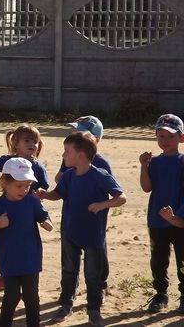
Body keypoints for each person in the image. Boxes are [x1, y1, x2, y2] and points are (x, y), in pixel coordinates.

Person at [37, 132, 126, 327]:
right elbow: (58, 194)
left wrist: (103, 204)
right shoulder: (68, 176)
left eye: (67, 151)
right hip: (70, 231)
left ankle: (93, 310)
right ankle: (66, 304)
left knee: (92, 274)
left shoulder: (100, 176)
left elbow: (121, 198)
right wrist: (44, 194)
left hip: (92, 234)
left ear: (81, 154)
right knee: (69, 270)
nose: (63, 155)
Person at [0, 158, 53, 327]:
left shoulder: (32, 202)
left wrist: (46, 223)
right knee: (12, 296)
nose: (24, 190)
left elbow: (44, 216)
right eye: (19, 186)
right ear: (5, 182)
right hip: (9, 260)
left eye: (27, 185)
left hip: (31, 259)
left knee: (31, 298)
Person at [0, 123, 50, 291]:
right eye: (27, 140)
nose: (32, 145)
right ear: (15, 143)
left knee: (26, 245)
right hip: (9, 208)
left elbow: (43, 189)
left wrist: (39, 195)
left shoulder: (38, 166)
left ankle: (29, 277)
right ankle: (6, 276)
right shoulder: (8, 160)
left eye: (35, 141)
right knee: (7, 245)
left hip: (27, 212)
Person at [52, 116, 113, 302]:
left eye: (78, 132)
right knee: (69, 256)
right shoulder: (69, 159)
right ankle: (69, 290)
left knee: (96, 254)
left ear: (94, 139)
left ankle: (99, 287)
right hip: (71, 214)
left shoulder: (100, 164)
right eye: (73, 132)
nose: (74, 135)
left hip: (93, 220)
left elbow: (111, 191)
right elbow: (59, 180)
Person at [139, 114, 184, 313]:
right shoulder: (154, 163)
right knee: (158, 260)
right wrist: (144, 167)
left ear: (181, 138)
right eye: (161, 136)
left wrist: (177, 217)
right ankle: (161, 294)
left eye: (171, 136)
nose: (165, 141)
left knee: (183, 258)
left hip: (180, 221)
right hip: (157, 221)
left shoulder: (182, 162)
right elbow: (147, 188)